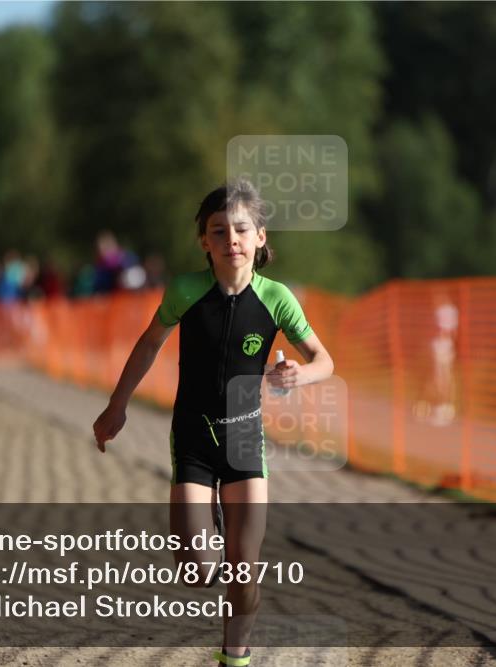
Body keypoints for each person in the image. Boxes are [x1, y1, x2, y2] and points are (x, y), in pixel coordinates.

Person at [92, 178, 334, 666]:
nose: (231, 241)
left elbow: (324, 360)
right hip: (194, 438)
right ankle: (211, 532)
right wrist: (116, 406)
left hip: (245, 439)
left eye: (241, 230)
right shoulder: (185, 290)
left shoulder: (277, 298)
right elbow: (147, 345)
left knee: (247, 569)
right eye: (219, 231)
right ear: (205, 240)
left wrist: (300, 373)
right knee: (198, 570)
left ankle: (235, 657)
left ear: (260, 237)